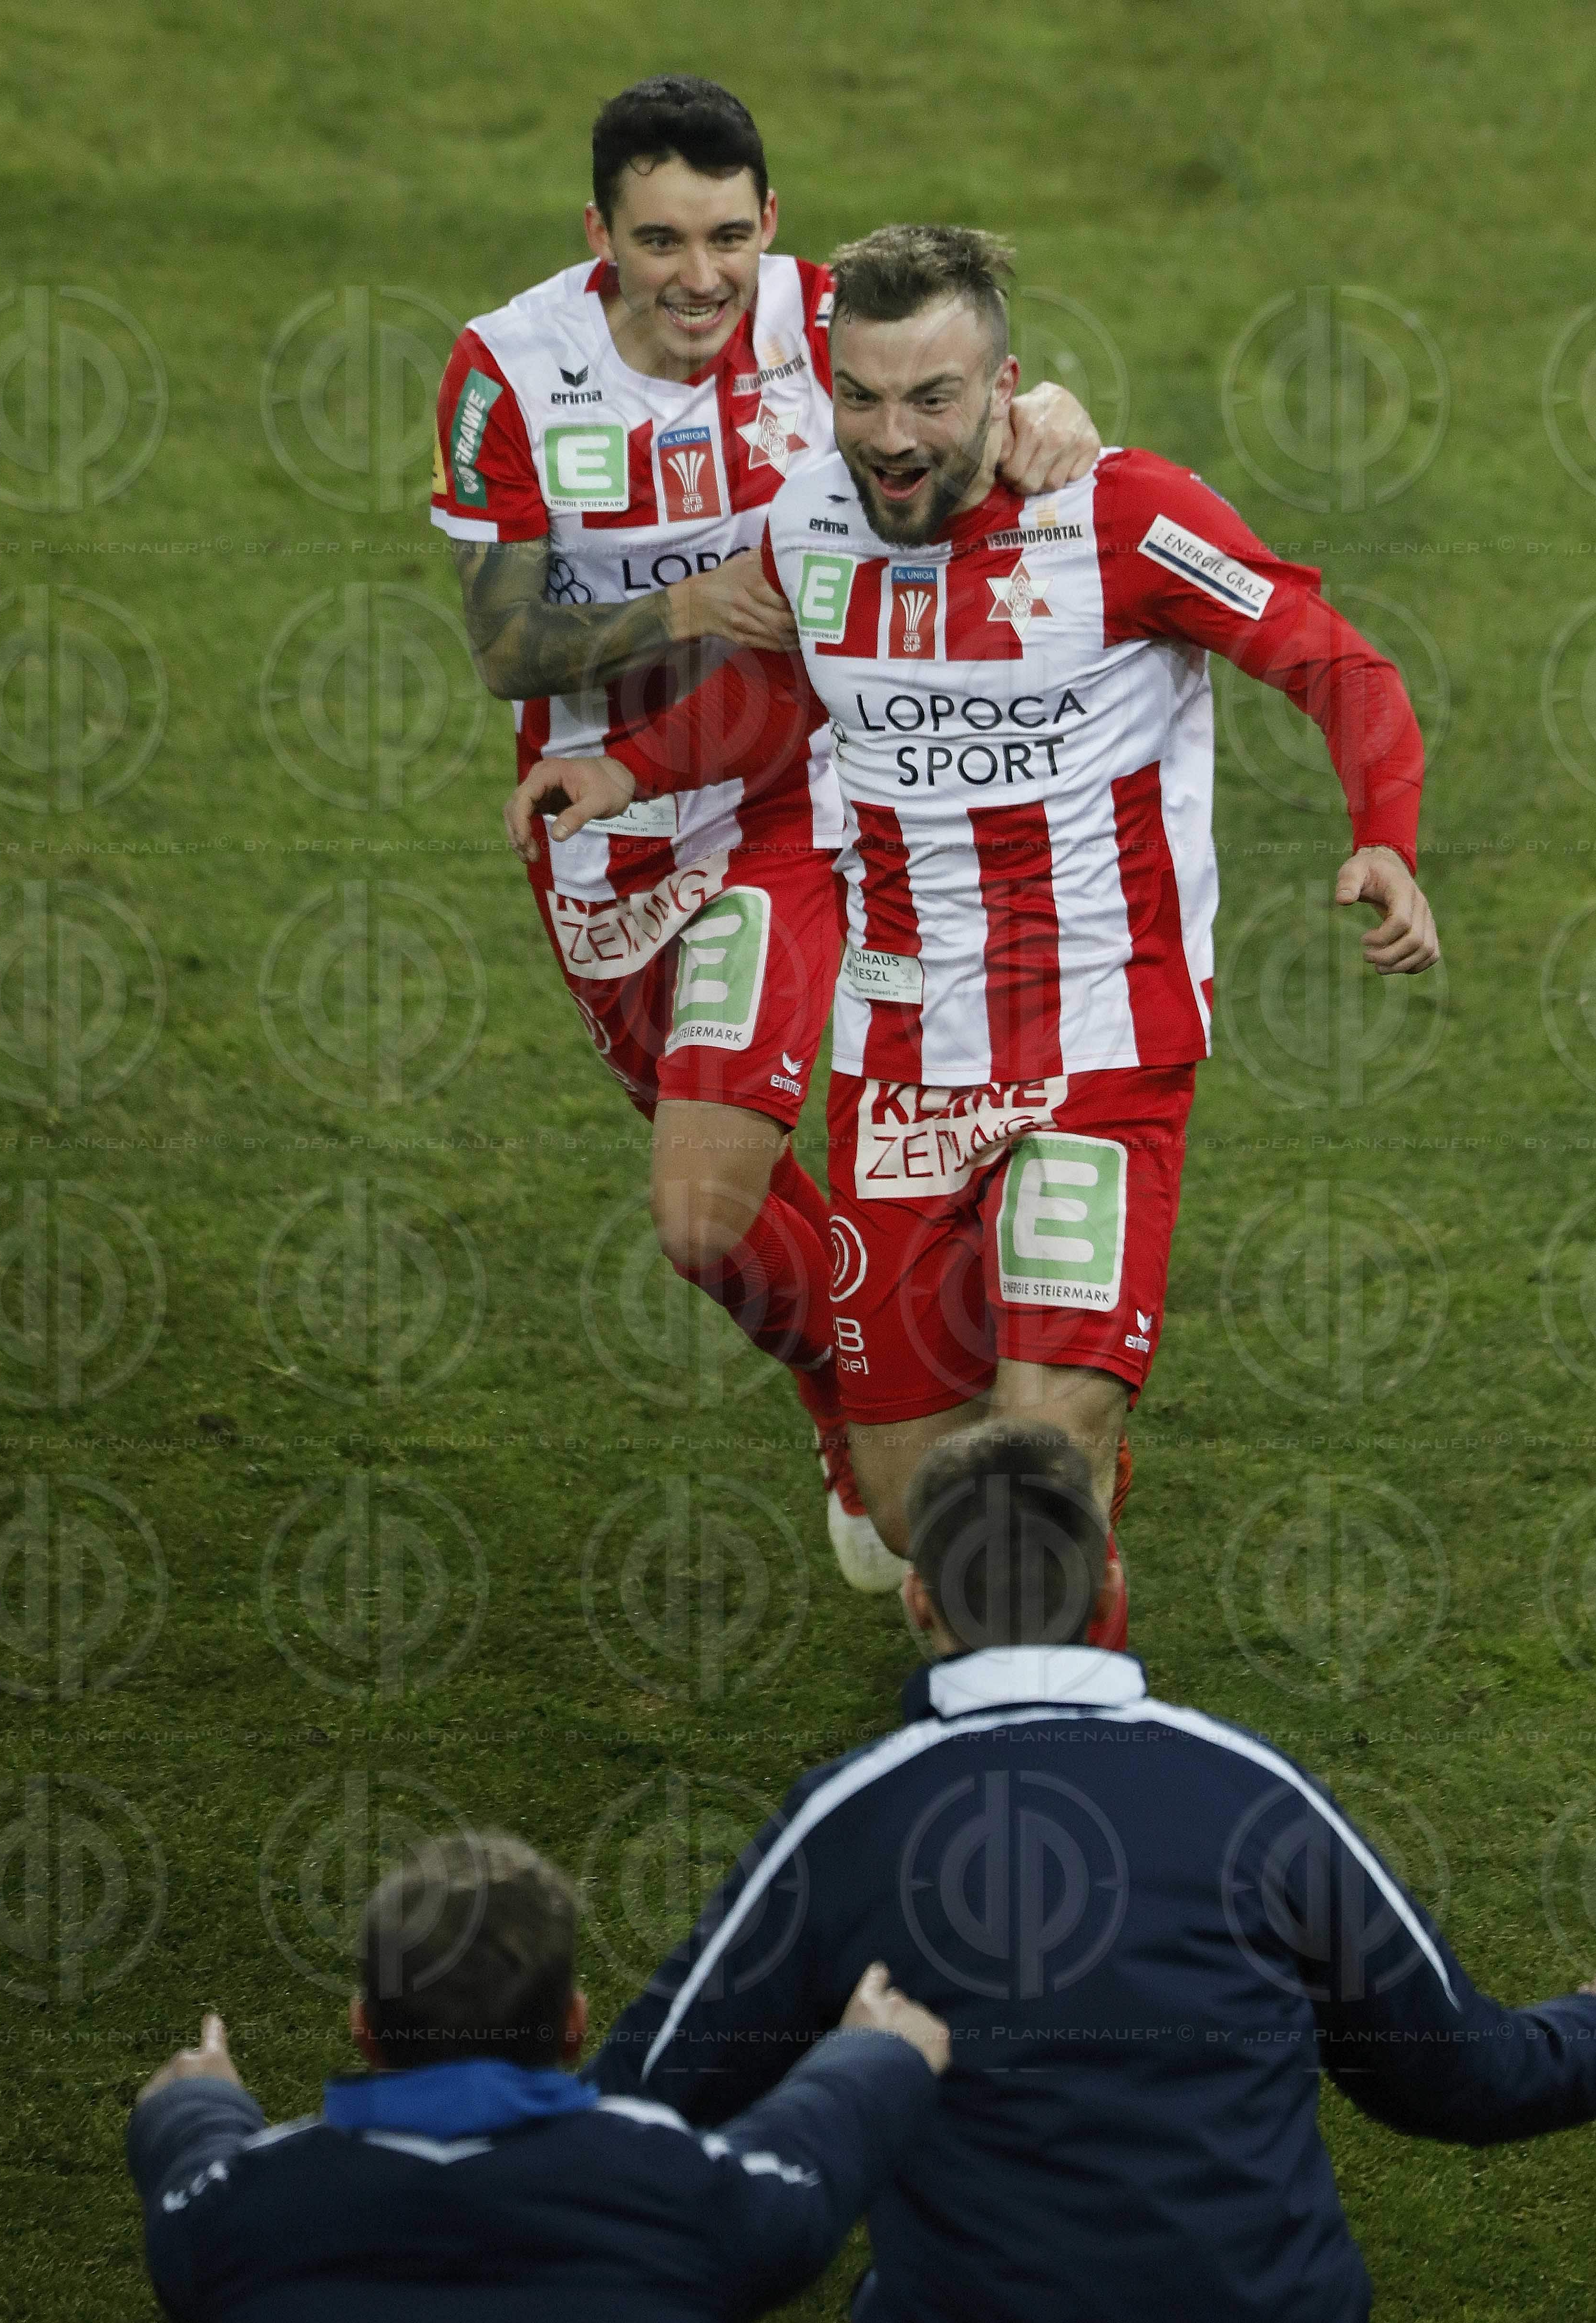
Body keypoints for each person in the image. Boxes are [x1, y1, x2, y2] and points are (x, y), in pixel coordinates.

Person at [507, 224, 1442, 1647]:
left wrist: (1385, 832)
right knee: (918, 1517)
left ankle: (1076, 1730)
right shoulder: (812, 521)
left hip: (1100, 1051)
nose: (891, 438)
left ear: (1006, 391)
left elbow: (1332, 659)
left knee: (1041, 1491)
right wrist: (625, 772)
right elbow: (780, 696)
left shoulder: (1122, 518)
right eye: (863, 398)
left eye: (931, 400)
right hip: (902, 1060)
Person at [588, 1423, 1596, 2323]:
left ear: (919, 1601)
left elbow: (640, 2110)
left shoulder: (842, 1822)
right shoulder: (1256, 1790)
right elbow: (1459, 2076)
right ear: (1110, 1583)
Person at [432, 81, 1098, 1593]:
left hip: (806, 801)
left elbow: (992, 412)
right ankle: (851, 1396)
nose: (699, 277)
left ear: (772, 227)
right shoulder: (507, 371)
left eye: (729, 236)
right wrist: (687, 606)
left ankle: (957, 1419)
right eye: (659, 239)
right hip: (609, 831)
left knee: (847, 1150)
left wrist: (1055, 414)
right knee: (704, 1221)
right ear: (597, 234)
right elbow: (503, 647)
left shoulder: (826, 323)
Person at [126, 1829, 950, 2323]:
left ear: (363, 2028)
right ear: (574, 2027)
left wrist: (193, 2105)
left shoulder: (234, 2215)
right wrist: (876, 2056)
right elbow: (802, 2167)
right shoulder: (677, 2188)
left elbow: (188, 2178)